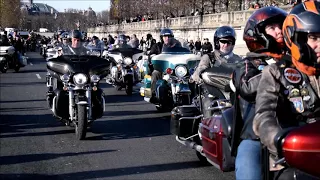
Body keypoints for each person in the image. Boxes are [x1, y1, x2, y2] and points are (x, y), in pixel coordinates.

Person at [253, 1, 320, 179]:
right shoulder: (275, 72)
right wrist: (280, 140)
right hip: (291, 160)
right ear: (295, 38)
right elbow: (263, 116)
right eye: (313, 37)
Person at [230, 6, 288, 180]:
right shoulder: (248, 63)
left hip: (292, 129)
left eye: (280, 26)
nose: (278, 31)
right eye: (272, 28)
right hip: (255, 135)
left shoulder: (295, 59)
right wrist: (279, 68)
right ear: (258, 34)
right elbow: (247, 87)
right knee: (249, 171)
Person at [149, 28, 181, 102]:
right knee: (155, 73)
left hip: (175, 68)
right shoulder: (157, 46)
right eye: (165, 36)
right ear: (161, 38)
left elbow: (183, 52)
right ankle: (154, 94)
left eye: (169, 36)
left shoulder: (177, 45)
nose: (167, 38)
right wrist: (153, 56)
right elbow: (151, 54)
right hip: (162, 68)